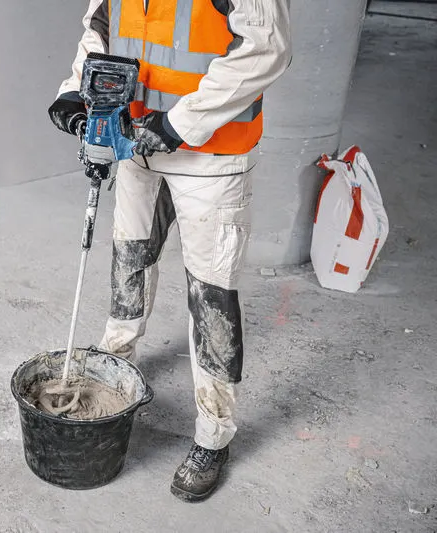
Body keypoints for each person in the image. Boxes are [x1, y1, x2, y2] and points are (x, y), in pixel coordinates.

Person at [48, 0, 292, 502]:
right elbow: (100, 27)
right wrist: (76, 90)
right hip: (136, 139)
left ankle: (213, 433)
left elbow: (266, 48)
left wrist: (181, 122)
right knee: (129, 257)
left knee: (211, 297)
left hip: (212, 155)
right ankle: (116, 358)